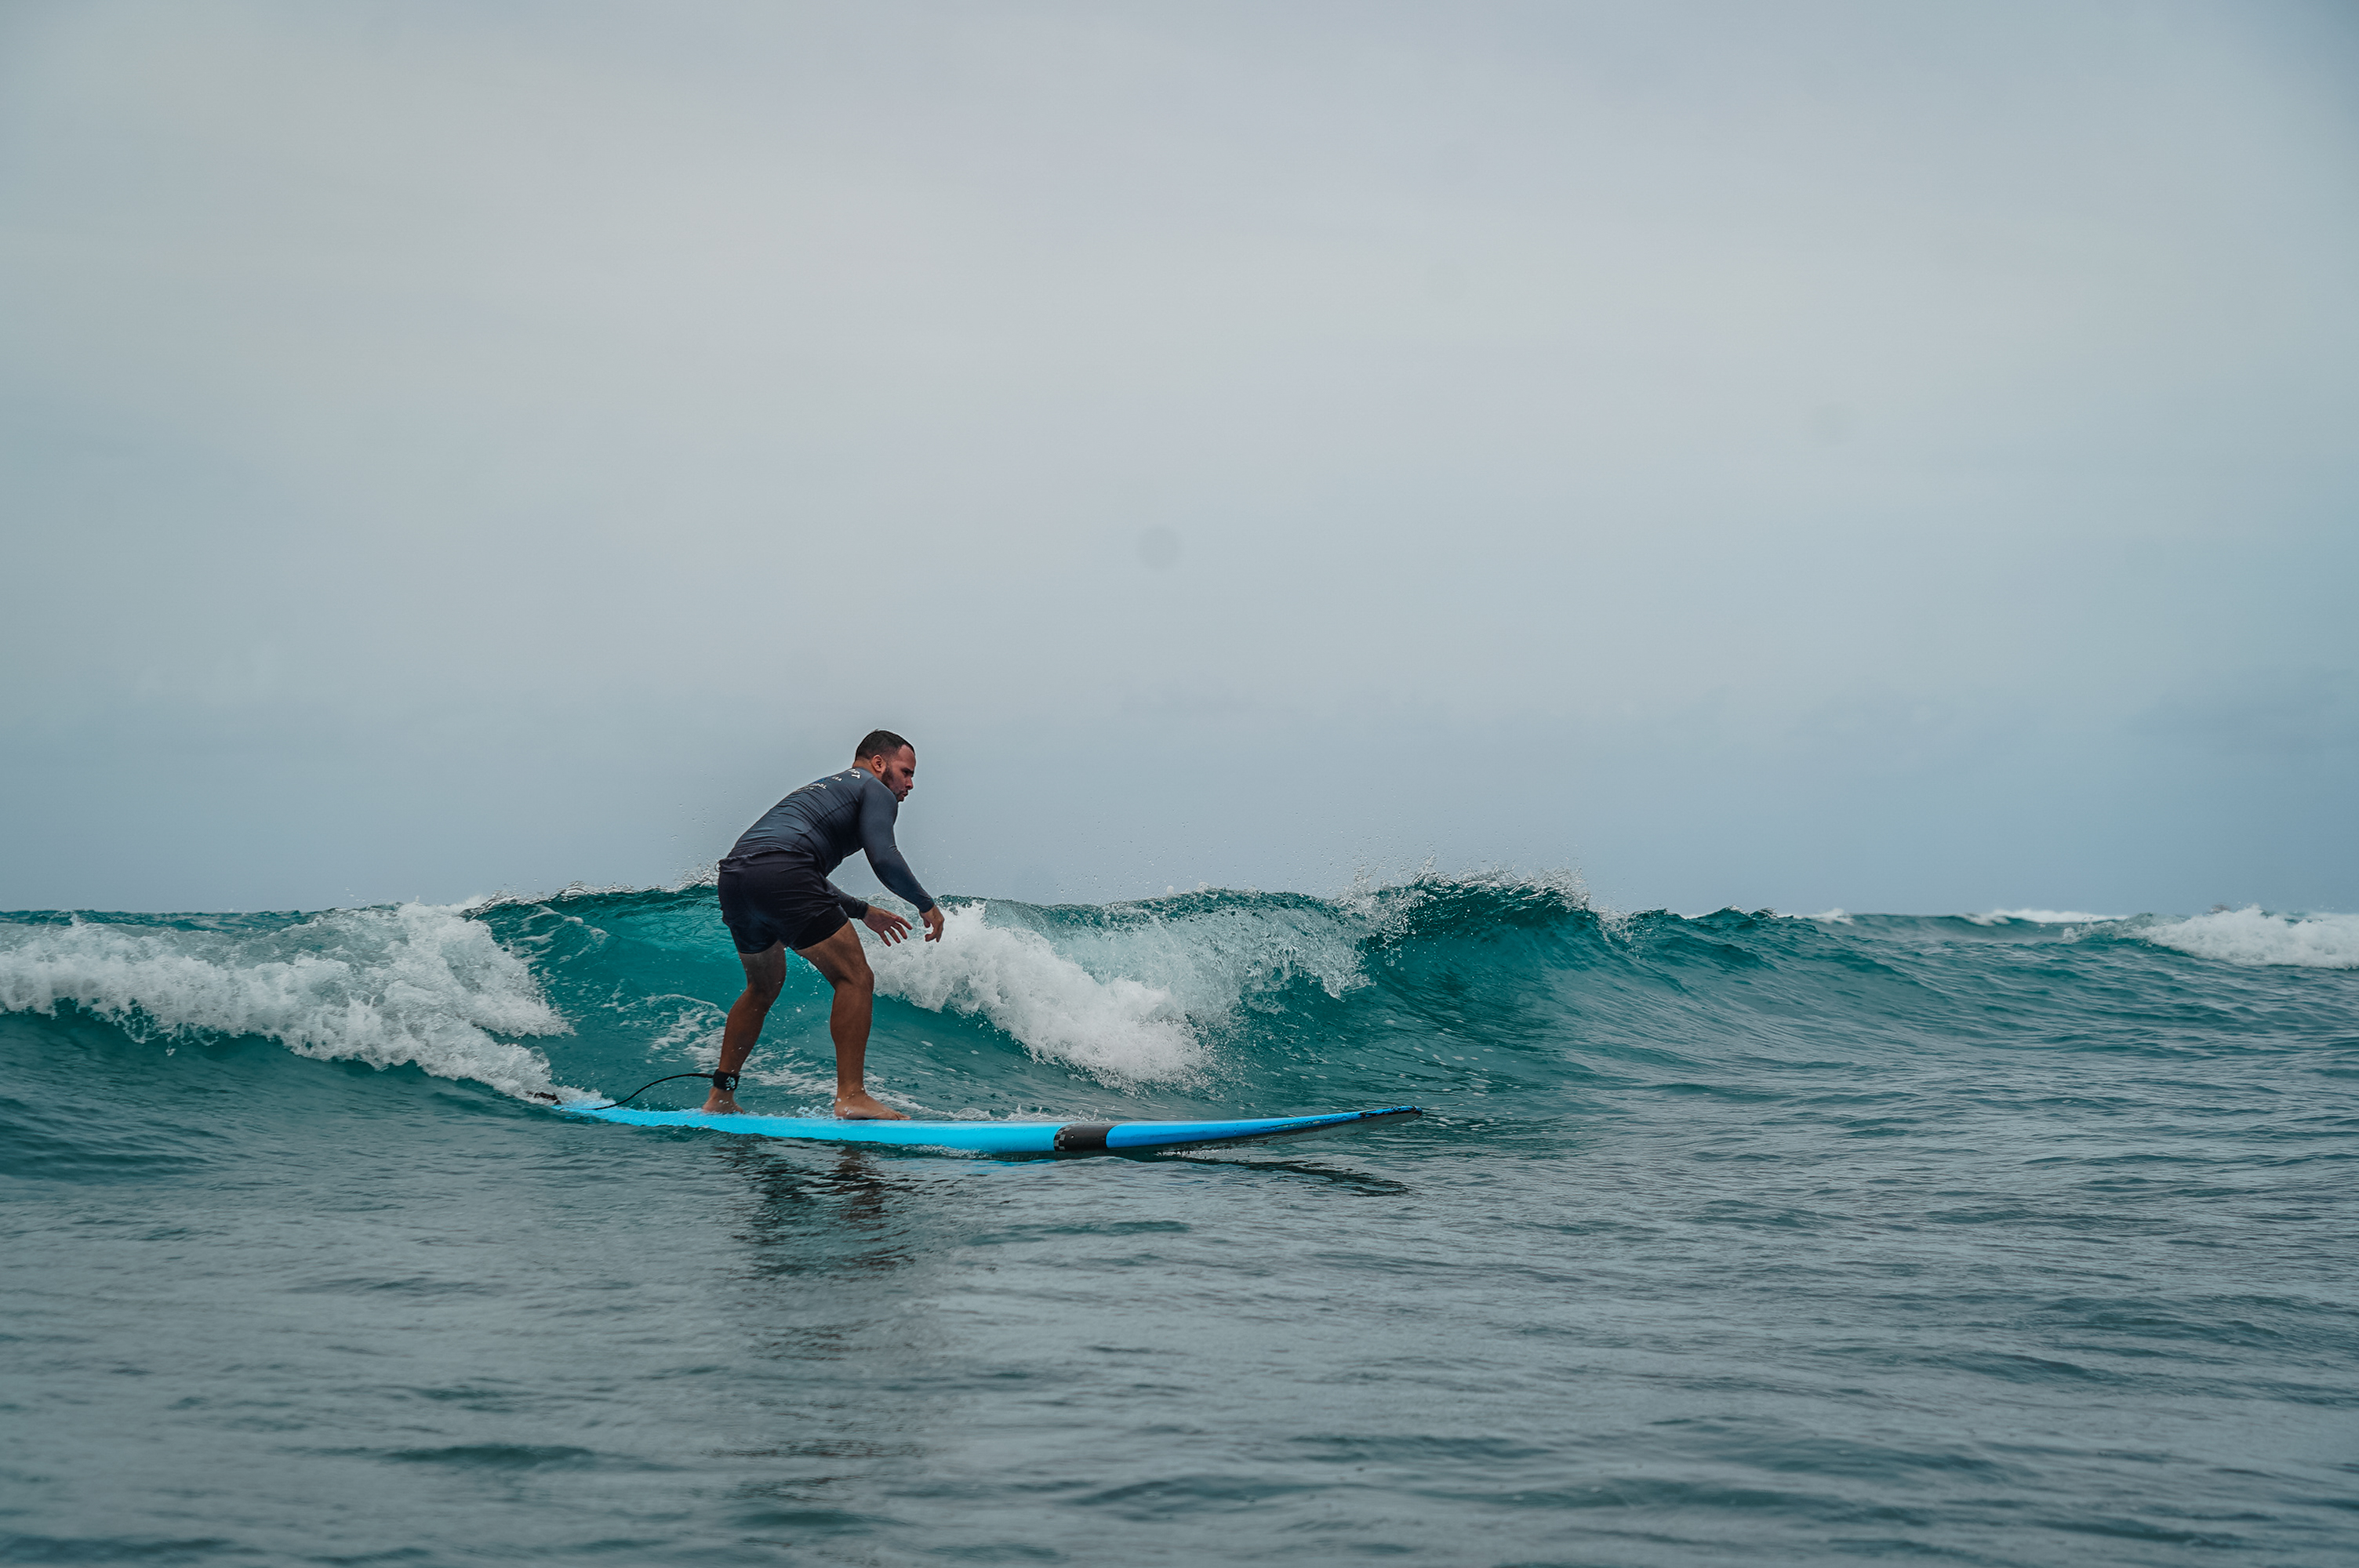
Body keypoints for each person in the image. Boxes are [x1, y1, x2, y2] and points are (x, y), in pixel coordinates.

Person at [706, 729, 943, 1119]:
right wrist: (925, 904)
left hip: (734, 878)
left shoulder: (826, 788)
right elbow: (884, 857)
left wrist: (863, 911)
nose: (910, 784)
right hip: (784, 871)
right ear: (879, 763)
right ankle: (851, 1096)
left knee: (762, 987)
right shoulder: (875, 789)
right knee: (855, 977)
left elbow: (784, 859)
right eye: (906, 772)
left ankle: (720, 1097)